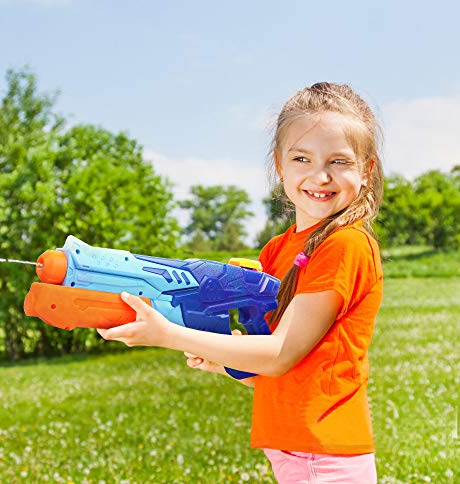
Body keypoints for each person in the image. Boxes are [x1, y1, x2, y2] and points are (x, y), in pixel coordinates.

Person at [98, 82, 384, 483]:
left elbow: (281, 352)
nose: (320, 176)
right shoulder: (278, 249)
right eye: (302, 157)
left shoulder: (345, 245)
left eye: (339, 161)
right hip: (295, 448)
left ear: (367, 170)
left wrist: (167, 334)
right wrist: (227, 360)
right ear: (280, 165)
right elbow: (280, 367)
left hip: (324, 452)